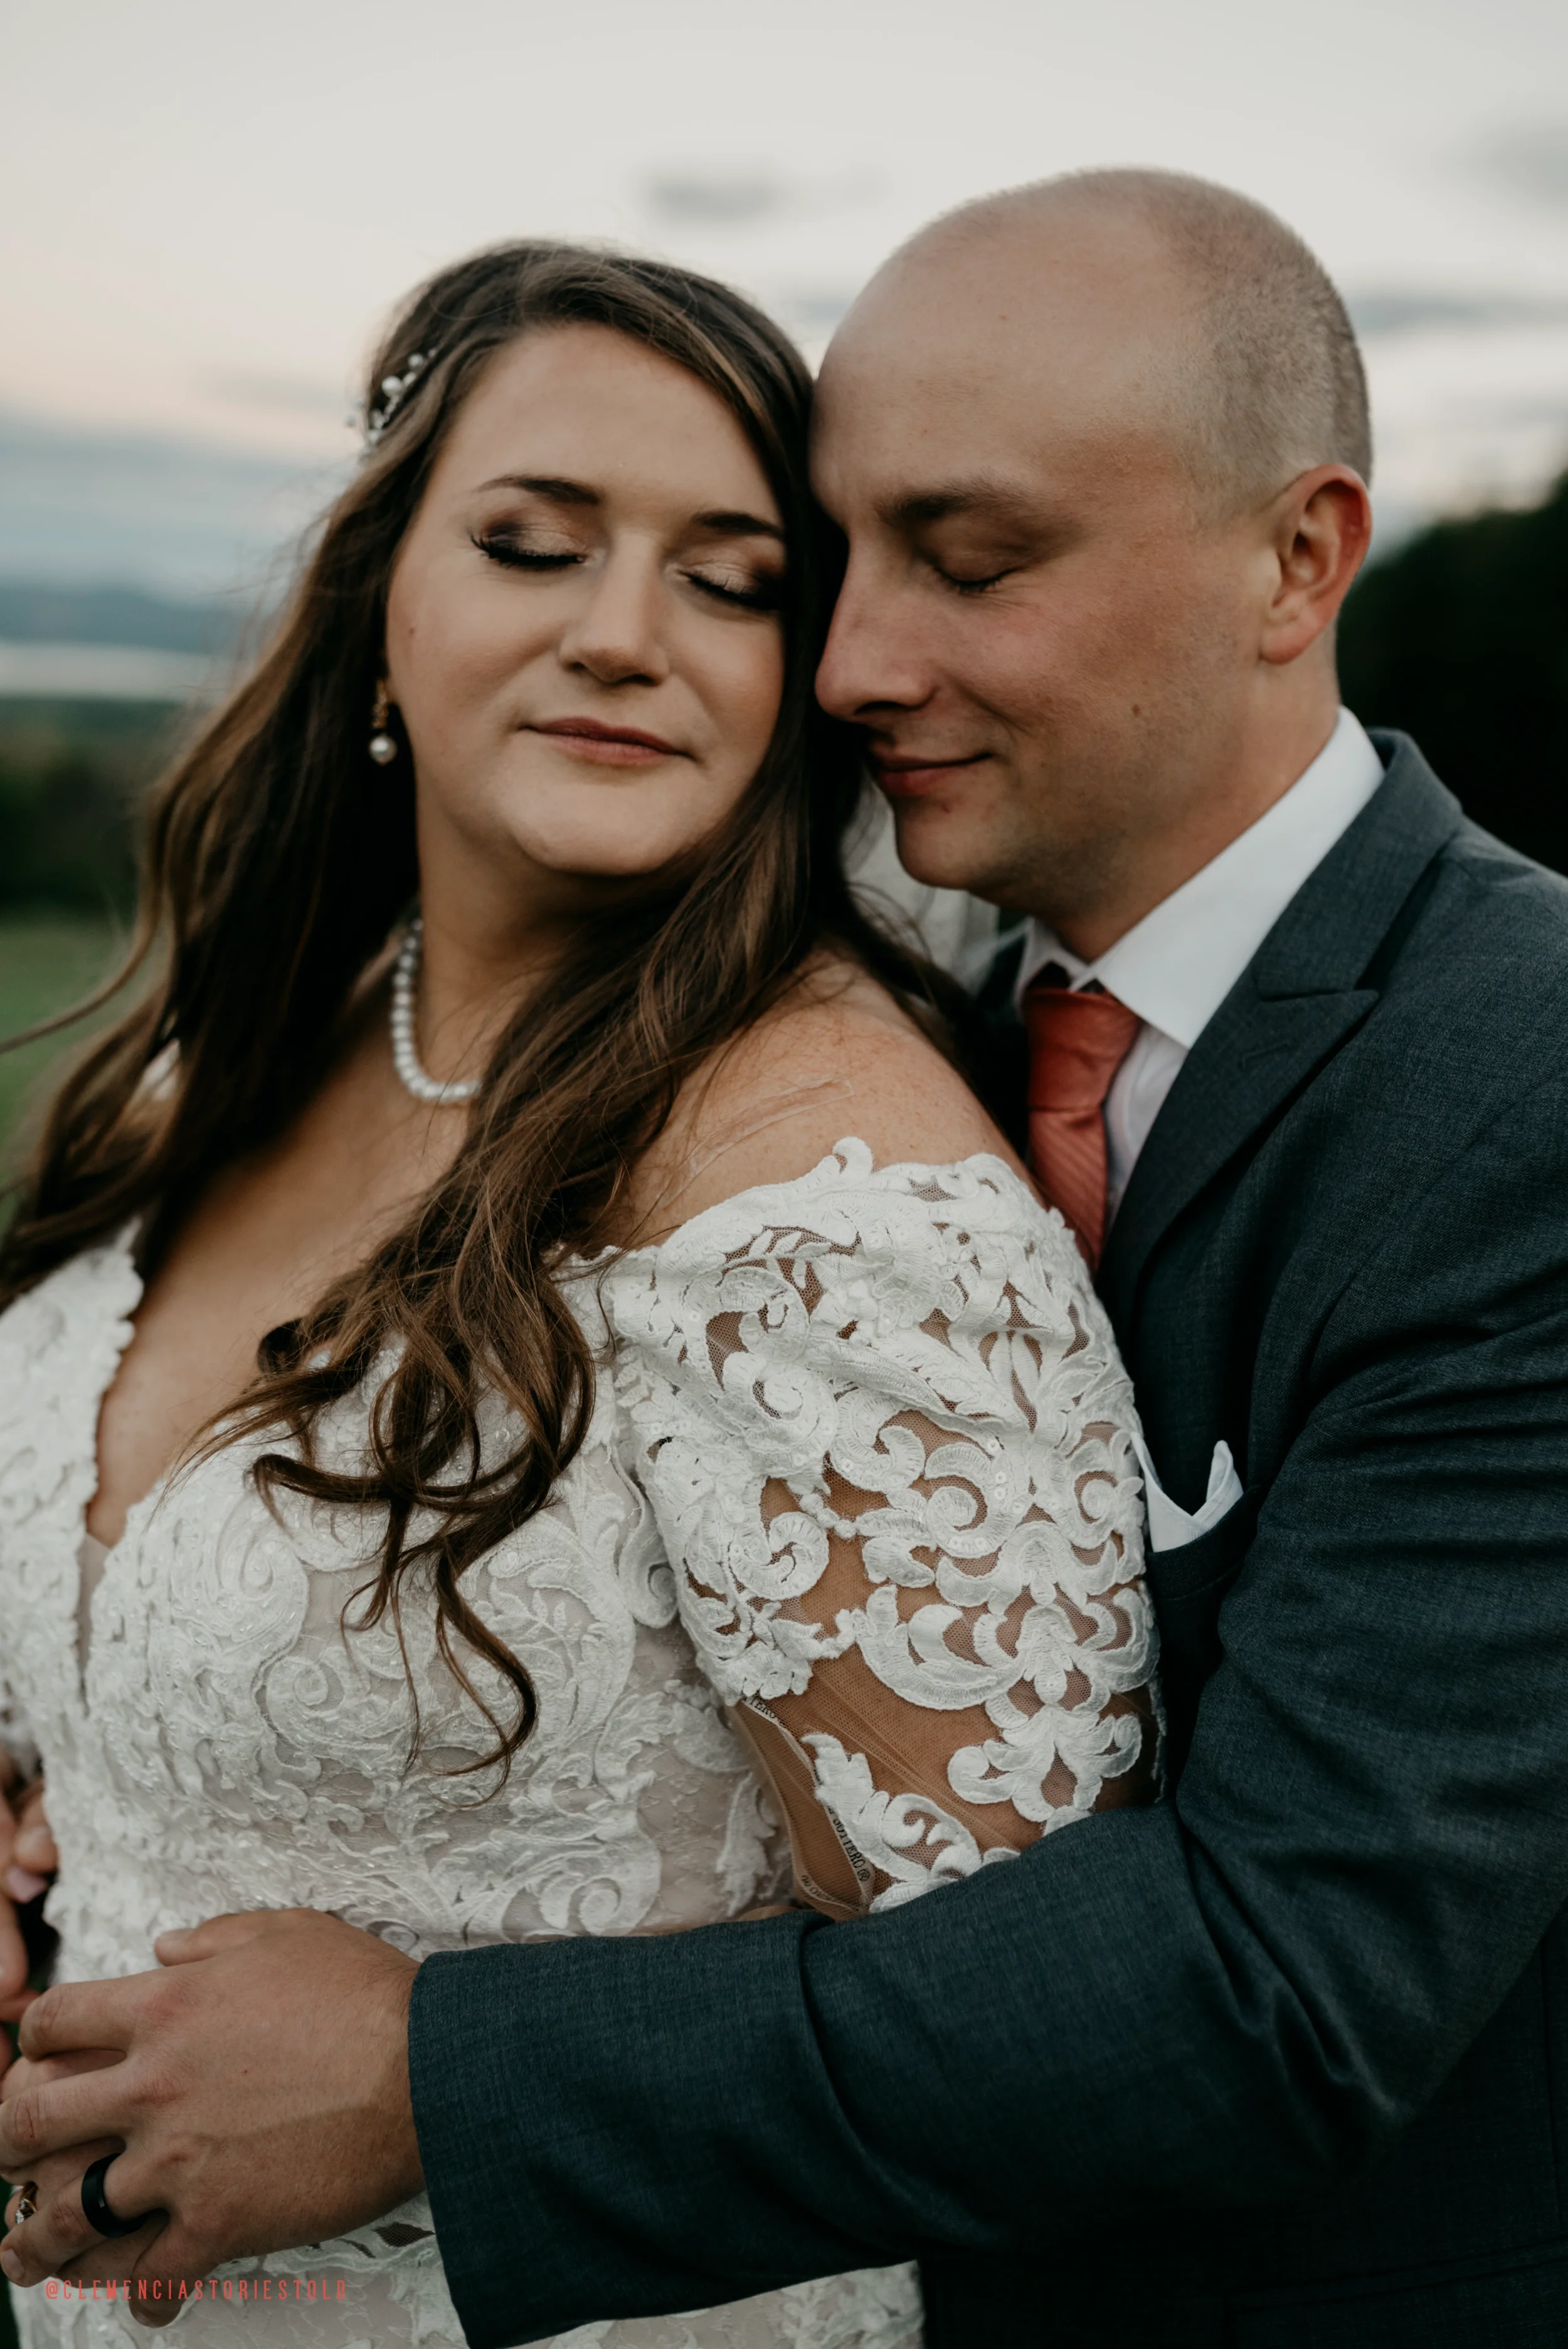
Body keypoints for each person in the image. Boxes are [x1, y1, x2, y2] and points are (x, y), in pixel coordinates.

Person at [8, 162, 1568, 2347]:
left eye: (969, 560)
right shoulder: (937, 939)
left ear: (1295, 559)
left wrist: (433, 2082)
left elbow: (1280, 1974)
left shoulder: (1518, 1082)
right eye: (833, 570)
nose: (843, 664)